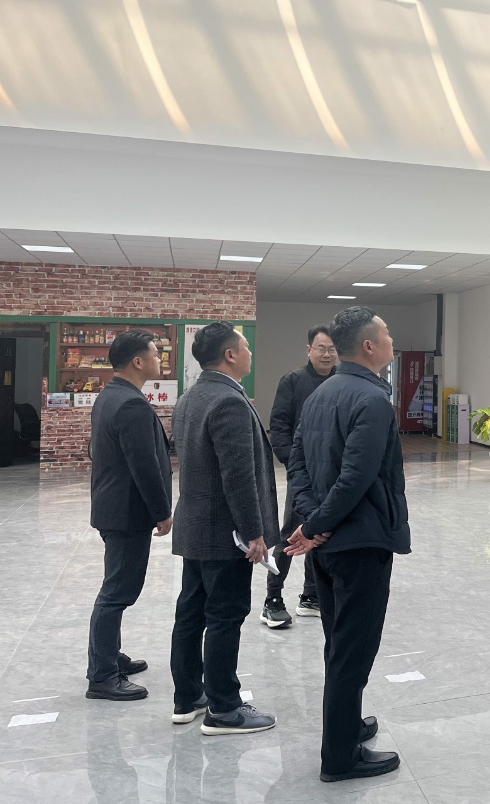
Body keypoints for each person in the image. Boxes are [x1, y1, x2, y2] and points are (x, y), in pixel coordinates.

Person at [285, 306, 410, 783]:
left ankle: (349, 724)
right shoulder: (372, 399)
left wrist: (311, 522)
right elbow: (357, 478)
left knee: (339, 641)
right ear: (369, 346)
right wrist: (316, 523)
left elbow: (296, 463)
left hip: (328, 543)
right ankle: (340, 757)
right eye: (387, 333)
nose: (392, 339)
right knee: (352, 649)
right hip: (359, 541)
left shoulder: (320, 394)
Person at [170, 322, 280, 734]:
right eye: (246, 346)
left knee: (191, 612)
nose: (250, 352)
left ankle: (188, 697)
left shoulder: (190, 398)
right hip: (224, 532)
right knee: (224, 615)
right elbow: (238, 476)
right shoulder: (229, 401)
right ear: (231, 355)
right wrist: (254, 532)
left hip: (195, 526)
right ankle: (225, 708)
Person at [84, 330, 173, 701]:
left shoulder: (110, 395)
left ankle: (111, 655)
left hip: (113, 507)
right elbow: (144, 465)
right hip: (126, 512)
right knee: (117, 593)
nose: (159, 360)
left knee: (116, 587)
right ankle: (102, 675)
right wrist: (162, 512)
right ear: (138, 361)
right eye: (155, 354)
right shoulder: (131, 404)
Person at [260, 325, 338, 629]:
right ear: (309, 350)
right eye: (321, 348)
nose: (327, 354)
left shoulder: (342, 381)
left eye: (332, 349)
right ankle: (272, 599)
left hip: (333, 476)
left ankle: (311, 596)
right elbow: (279, 427)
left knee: (321, 532)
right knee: (291, 533)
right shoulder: (293, 381)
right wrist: (294, 466)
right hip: (302, 474)